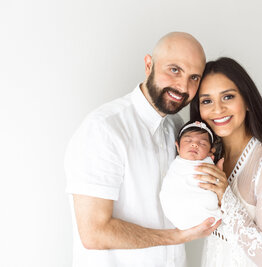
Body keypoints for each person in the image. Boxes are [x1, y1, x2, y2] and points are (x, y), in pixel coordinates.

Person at [64, 32, 221, 267]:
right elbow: (94, 232)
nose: (183, 86)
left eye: (194, 77)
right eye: (175, 70)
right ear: (149, 65)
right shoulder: (104, 128)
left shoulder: (179, 129)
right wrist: (178, 238)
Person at [190, 57, 262, 267]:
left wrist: (226, 197)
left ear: (247, 101)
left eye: (228, 97)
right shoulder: (211, 158)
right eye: (207, 101)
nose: (218, 109)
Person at [160, 120, 222, 230]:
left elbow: (218, 184)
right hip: (178, 212)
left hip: (207, 213)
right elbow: (170, 188)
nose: (194, 144)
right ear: (177, 147)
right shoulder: (176, 167)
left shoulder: (211, 166)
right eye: (188, 140)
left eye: (202, 143)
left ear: (210, 152)